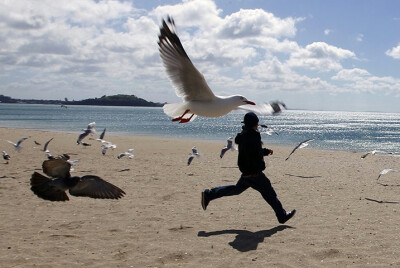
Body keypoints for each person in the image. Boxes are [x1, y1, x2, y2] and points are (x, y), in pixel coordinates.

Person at [201, 112, 296, 224]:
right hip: (254, 173)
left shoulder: (242, 136)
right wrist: (264, 152)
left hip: (246, 172)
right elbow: (256, 152)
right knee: (270, 194)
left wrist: (265, 151)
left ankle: (209, 194)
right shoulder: (254, 136)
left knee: (236, 190)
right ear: (254, 124)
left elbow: (251, 151)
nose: (257, 126)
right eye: (256, 124)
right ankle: (282, 216)